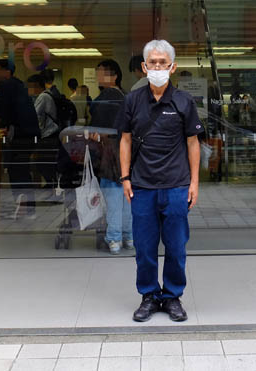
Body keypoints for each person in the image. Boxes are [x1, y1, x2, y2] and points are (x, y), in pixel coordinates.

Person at [117, 40, 202, 322]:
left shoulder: (183, 102)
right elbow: (125, 140)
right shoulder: (132, 101)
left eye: (162, 63)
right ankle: (149, 296)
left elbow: (193, 143)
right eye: (151, 62)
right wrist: (125, 177)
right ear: (144, 67)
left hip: (177, 186)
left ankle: (173, 297)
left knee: (176, 247)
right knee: (145, 247)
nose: (157, 67)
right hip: (142, 187)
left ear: (172, 67)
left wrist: (194, 183)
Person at [0, 59, 42, 219]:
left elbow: (0, 112)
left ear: (6, 71)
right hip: (27, 133)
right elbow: (13, 111)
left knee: (17, 171)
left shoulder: (7, 85)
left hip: (22, 136)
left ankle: (25, 209)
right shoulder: (17, 84)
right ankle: (27, 209)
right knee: (21, 171)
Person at [91, 59, 130, 253]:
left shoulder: (107, 96)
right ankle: (129, 236)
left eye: (102, 73)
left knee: (113, 195)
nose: (98, 76)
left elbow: (101, 130)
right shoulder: (125, 95)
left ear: (114, 75)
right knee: (127, 196)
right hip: (128, 152)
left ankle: (114, 239)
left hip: (110, 153)